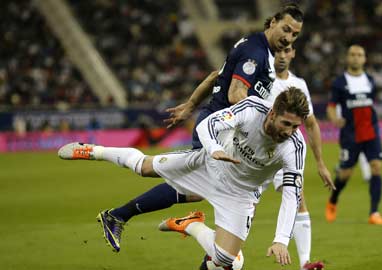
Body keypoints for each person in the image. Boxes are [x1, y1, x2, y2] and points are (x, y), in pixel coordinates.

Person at [78, 4, 309, 256]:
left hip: (219, 124)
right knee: (198, 184)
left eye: (295, 35)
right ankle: (129, 214)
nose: (288, 38)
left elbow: (215, 75)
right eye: (286, 29)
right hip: (221, 129)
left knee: (192, 185)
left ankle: (124, 215)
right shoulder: (256, 53)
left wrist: (191, 104)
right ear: (272, 22)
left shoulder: (256, 49)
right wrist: (256, 118)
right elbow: (235, 94)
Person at [59, 88, 310, 269]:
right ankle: (93, 150)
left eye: (295, 127)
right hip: (209, 165)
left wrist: (280, 241)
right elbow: (207, 125)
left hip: (240, 194)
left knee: (225, 260)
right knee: (145, 167)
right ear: (273, 112)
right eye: (286, 123)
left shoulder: (294, 147)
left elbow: (291, 195)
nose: (289, 132)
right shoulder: (252, 109)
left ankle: (189, 225)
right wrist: (213, 149)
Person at [259, 44, 329, 270]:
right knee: (241, 198)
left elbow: (311, 124)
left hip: (284, 150)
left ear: (293, 53)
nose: (282, 55)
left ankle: (304, 263)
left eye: (287, 50)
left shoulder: (299, 85)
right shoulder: (262, 78)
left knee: (298, 198)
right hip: (256, 150)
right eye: (278, 51)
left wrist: (320, 163)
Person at [325, 45, 382, 225]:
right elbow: (331, 106)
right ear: (347, 58)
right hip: (350, 134)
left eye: (359, 55)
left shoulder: (370, 80)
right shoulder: (339, 82)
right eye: (352, 54)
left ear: (365, 59)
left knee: (376, 167)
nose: (356, 58)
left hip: (371, 131)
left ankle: (374, 213)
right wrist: (334, 119)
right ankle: (333, 200)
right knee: (345, 174)